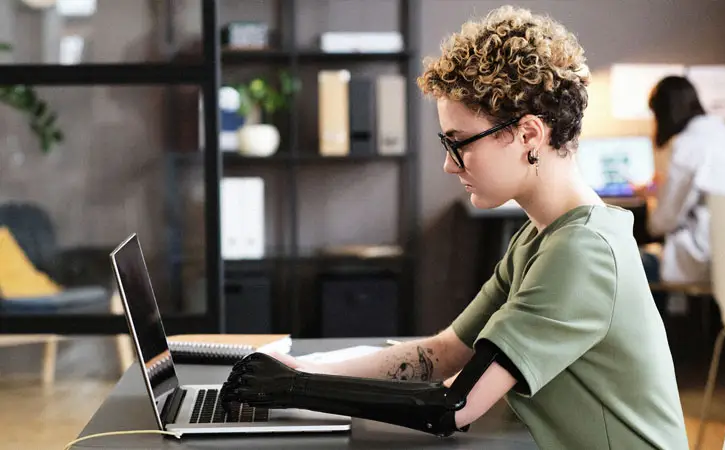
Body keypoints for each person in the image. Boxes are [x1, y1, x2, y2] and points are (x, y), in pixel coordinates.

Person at [223, 6, 689, 449]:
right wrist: (298, 368)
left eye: (461, 143)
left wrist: (295, 387)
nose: (449, 164)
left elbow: (453, 405)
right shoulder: (540, 237)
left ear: (529, 135)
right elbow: (443, 352)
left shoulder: (581, 251)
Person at [638, 76, 725, 286]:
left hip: (700, 255)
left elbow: (660, 223)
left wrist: (651, 199)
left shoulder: (688, 146)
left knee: (627, 261)